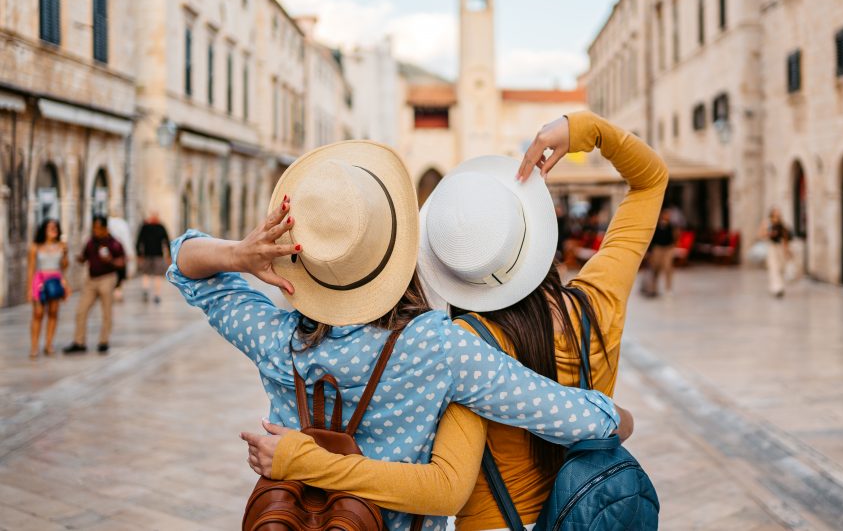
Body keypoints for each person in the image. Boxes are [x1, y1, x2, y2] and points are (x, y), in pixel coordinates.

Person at [169, 139, 629, 531]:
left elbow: (187, 265)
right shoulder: (441, 347)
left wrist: (239, 254)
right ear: (402, 248)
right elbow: (574, 418)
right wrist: (616, 417)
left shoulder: (274, 338)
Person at [64, 216, 125, 354]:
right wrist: (76, 257)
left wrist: (110, 260)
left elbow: (122, 262)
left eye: (98, 228)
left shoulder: (114, 243)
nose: (96, 231)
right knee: (81, 310)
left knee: (106, 311)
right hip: (91, 280)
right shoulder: (91, 242)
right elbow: (84, 257)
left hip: (107, 278)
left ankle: (104, 341)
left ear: (105, 228)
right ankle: (79, 342)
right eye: (94, 228)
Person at [26, 219, 69, 358]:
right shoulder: (35, 247)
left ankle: (48, 344)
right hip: (40, 280)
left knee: (53, 312)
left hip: (55, 279)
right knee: (38, 313)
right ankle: (34, 346)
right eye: (50, 227)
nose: (53, 230)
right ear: (44, 229)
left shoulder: (60, 246)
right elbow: (31, 268)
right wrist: (29, 289)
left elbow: (64, 266)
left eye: (55, 227)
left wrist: (65, 253)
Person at [136, 211, 170, 303]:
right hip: (158, 255)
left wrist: (139, 254)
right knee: (157, 276)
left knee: (146, 274)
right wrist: (169, 255)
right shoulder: (161, 227)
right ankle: (156, 295)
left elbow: (139, 241)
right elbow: (167, 241)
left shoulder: (145, 227)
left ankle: (146, 290)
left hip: (147, 255)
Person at [643, 207, 678, 297]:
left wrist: (673, 246)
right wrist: (649, 251)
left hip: (668, 249)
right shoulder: (656, 226)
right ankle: (653, 288)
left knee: (668, 268)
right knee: (655, 268)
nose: (667, 216)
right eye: (666, 214)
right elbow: (652, 239)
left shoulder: (671, 226)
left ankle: (668, 288)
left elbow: (674, 237)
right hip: (657, 249)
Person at [760, 207, 791, 298]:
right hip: (771, 247)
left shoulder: (782, 224)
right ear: (772, 214)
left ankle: (779, 286)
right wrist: (769, 234)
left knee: (781, 268)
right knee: (773, 268)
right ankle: (777, 288)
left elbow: (785, 237)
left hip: (780, 247)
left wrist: (787, 250)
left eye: (779, 214)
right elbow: (760, 234)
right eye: (776, 214)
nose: (777, 216)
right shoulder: (766, 223)